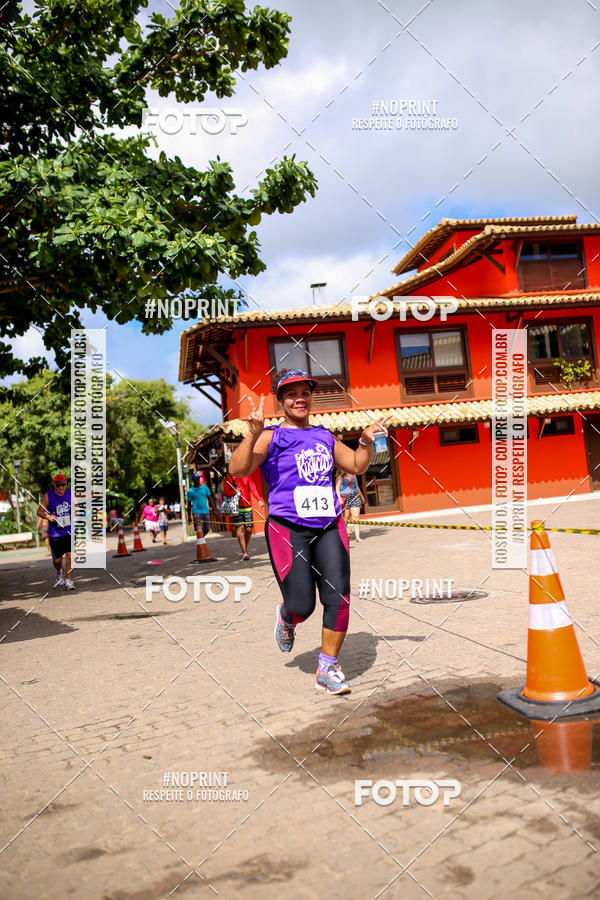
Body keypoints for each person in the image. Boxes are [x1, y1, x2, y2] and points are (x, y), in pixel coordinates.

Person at [228, 368, 391, 695]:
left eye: (304, 392)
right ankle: (287, 617)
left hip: (329, 524)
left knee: (339, 596)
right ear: (282, 400)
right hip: (288, 529)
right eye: (291, 394)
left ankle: (327, 669)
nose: (299, 398)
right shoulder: (272, 436)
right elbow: (237, 468)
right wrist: (252, 434)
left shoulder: (323, 435)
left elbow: (357, 464)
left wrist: (365, 441)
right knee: (303, 605)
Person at [37, 473, 75, 590]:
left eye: (63, 485)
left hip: (69, 531)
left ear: (66, 484)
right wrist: (48, 517)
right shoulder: (48, 496)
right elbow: (39, 512)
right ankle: (59, 571)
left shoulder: (71, 494)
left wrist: (75, 514)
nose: (61, 488)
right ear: (54, 485)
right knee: (57, 560)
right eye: (58, 485)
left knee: (70, 556)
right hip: (55, 533)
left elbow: (77, 508)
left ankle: (68, 581)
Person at [222, 466, 263, 561]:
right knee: (240, 529)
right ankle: (245, 553)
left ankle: (245, 547)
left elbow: (253, 488)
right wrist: (234, 492)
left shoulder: (247, 476)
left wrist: (259, 499)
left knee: (249, 530)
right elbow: (225, 492)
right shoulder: (229, 478)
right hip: (236, 508)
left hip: (247, 506)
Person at [336, 469, 365, 542]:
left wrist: (361, 496)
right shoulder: (340, 476)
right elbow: (337, 488)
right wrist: (339, 499)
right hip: (345, 498)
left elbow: (357, 487)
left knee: (356, 516)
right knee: (345, 519)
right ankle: (344, 537)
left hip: (355, 496)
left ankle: (357, 537)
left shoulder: (353, 475)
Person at [187, 472, 213, 537]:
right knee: (199, 529)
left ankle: (201, 539)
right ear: (193, 480)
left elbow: (210, 499)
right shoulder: (190, 491)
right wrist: (189, 517)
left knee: (207, 528)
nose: (198, 479)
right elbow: (189, 505)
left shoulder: (205, 488)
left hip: (205, 511)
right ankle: (200, 541)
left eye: (198, 478)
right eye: (196, 478)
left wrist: (213, 508)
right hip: (196, 513)